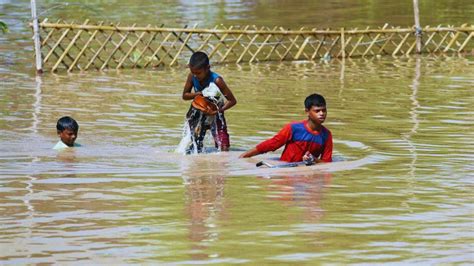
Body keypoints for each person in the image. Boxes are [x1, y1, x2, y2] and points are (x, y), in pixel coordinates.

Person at [240, 93, 332, 163]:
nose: (321, 114)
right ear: (307, 111)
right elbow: (272, 144)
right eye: (317, 111)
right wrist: (245, 156)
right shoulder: (293, 128)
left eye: (324, 110)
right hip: (286, 169)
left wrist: (314, 160)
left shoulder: (326, 135)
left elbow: (326, 162)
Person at [182, 51, 237, 152]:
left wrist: (216, 111)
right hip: (199, 112)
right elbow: (185, 95)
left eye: (198, 73)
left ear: (207, 68)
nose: (195, 75)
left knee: (223, 146)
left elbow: (232, 101)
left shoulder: (217, 81)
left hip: (216, 114)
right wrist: (198, 94)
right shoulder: (192, 76)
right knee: (196, 144)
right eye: (193, 72)